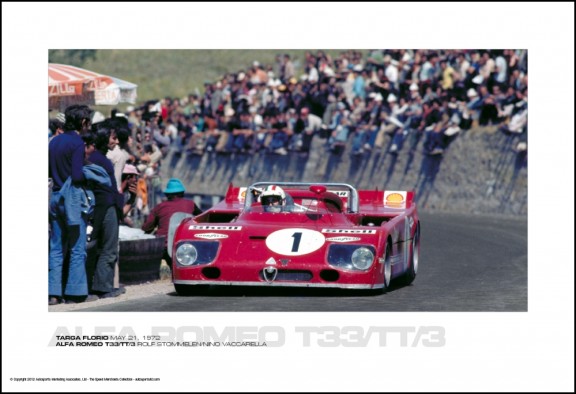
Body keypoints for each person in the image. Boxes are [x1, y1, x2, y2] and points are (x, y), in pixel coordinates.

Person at [48, 104, 98, 305]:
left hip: (56, 196)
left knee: (56, 247)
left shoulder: (54, 141)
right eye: (88, 121)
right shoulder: (77, 142)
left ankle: (53, 293)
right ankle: (75, 293)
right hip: (73, 199)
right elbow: (77, 175)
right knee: (77, 247)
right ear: (83, 122)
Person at [87, 125, 125, 299]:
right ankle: (103, 287)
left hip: (97, 207)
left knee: (97, 247)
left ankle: (96, 285)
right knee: (108, 248)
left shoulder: (92, 158)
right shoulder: (102, 160)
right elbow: (110, 189)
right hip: (106, 207)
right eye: (113, 137)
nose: (116, 141)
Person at [141, 178, 202, 267]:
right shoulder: (191, 204)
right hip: (185, 247)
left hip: (163, 247)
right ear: (182, 193)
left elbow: (146, 227)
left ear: (167, 194)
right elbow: (202, 217)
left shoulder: (159, 207)